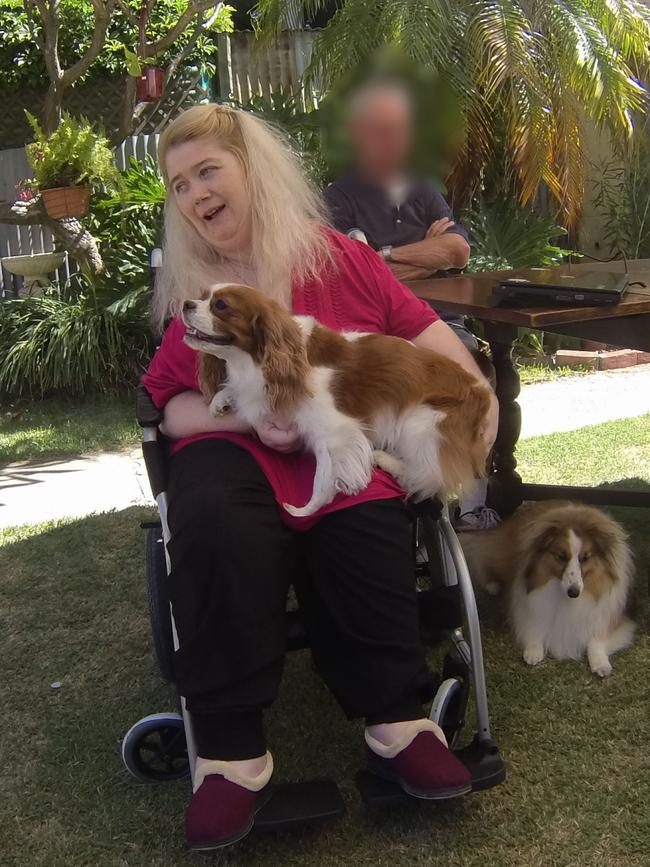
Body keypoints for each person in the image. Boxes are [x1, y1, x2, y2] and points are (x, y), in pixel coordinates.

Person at [142, 103, 498, 851]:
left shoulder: (341, 260)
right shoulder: (198, 296)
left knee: (364, 509)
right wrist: (251, 420)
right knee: (213, 513)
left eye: (208, 170)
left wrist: (477, 398)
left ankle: (400, 721)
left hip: (337, 444)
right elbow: (169, 410)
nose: (195, 194)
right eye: (179, 184)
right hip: (231, 451)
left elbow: (439, 348)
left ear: (253, 171)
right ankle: (232, 754)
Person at [324, 80, 499, 530]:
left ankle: (471, 500)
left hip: (443, 324)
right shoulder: (338, 199)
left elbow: (458, 251)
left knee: (481, 373)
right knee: (407, 385)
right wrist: (424, 253)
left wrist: (382, 255)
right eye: (381, 131)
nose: (394, 143)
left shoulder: (422, 189)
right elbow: (356, 274)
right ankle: (414, 497)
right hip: (385, 335)